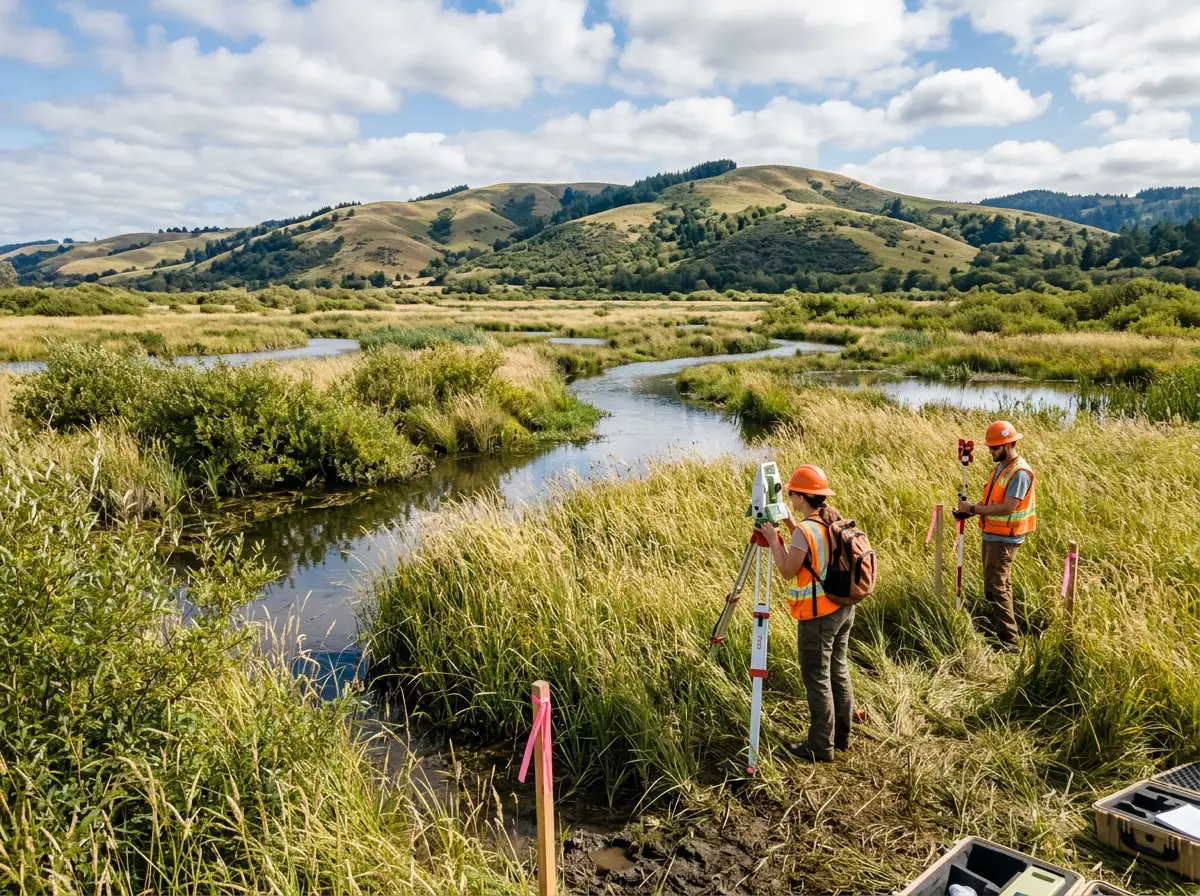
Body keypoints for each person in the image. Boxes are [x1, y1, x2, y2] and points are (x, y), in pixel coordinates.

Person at [756, 464, 853, 763]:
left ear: (801, 497)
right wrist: (788, 524)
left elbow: (788, 570)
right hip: (843, 608)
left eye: (793, 494)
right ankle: (841, 737)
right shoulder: (829, 519)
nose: (790, 498)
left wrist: (773, 539)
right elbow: (811, 547)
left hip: (818, 616)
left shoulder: (804, 530)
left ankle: (820, 746)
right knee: (838, 670)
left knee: (817, 677)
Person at [956, 420, 1037, 651]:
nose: (990, 451)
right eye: (990, 447)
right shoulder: (1001, 467)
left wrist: (972, 509)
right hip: (992, 534)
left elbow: (1008, 507)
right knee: (999, 585)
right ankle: (1008, 632)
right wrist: (970, 511)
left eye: (994, 448)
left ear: (1009, 444)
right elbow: (993, 501)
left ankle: (1009, 642)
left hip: (1005, 537)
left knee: (996, 587)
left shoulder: (1019, 472)